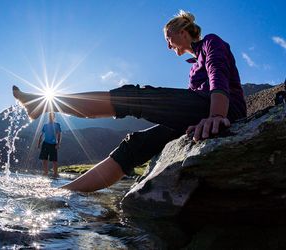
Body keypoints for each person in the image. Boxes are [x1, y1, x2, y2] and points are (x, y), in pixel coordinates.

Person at [13, 10, 246, 192]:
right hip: (202, 112)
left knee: (135, 96)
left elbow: (218, 75)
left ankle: (45, 104)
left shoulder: (211, 42)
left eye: (168, 38)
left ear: (181, 31)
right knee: (136, 143)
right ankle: (65, 193)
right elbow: (191, 100)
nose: (168, 45)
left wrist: (216, 115)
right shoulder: (193, 67)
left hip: (223, 110)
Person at [38, 112, 62, 177]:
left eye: (52, 116)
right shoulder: (45, 125)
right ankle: (45, 172)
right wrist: (39, 143)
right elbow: (41, 135)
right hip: (45, 143)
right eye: (50, 116)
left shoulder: (57, 125)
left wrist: (58, 144)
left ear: (54, 117)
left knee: (54, 160)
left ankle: (55, 173)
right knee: (44, 159)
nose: (51, 117)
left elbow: (59, 135)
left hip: (53, 144)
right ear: (49, 117)